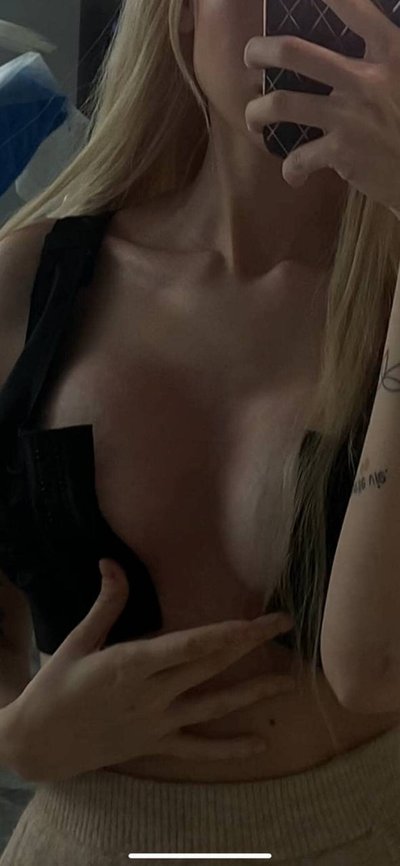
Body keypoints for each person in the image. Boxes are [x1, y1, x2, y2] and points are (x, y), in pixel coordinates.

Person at [0, 1, 400, 863]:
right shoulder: (28, 286)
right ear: (179, 14)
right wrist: (13, 740)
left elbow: (375, 669)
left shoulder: (389, 302)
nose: (325, 18)